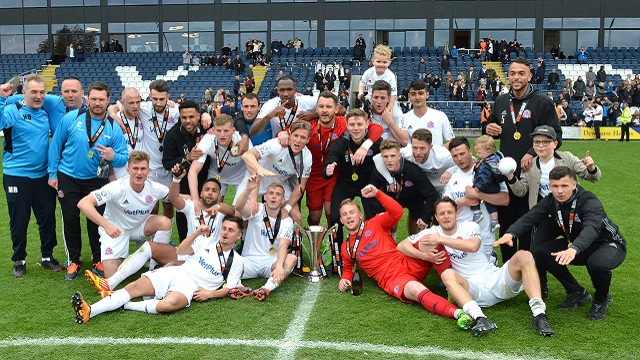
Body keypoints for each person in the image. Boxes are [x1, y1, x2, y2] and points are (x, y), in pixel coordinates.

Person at [398, 198, 555, 337]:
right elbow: (401, 245)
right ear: (436, 217)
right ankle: (480, 318)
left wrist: (441, 239)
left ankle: (539, 315)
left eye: (449, 212)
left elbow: (473, 246)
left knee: (524, 255)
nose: (446, 216)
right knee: (447, 276)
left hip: (496, 279)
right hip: (474, 290)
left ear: (456, 214)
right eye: (442, 213)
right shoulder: (432, 232)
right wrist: (425, 256)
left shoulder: (469, 226)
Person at [337, 185, 474, 331]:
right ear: (341, 220)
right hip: (391, 278)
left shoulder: (376, 223)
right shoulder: (346, 247)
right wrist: (344, 279)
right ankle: (458, 313)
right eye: (344, 215)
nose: (349, 216)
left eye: (352, 212)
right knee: (416, 290)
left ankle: (452, 285)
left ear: (360, 215)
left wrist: (378, 194)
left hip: (405, 260)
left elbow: (397, 212)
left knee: (428, 241)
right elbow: (347, 269)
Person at [498, 166, 626, 320]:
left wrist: (574, 249)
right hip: (578, 246)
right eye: (555, 186)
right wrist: (510, 233)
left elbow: (592, 228)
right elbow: (530, 217)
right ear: (550, 186)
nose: (559, 191)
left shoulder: (589, 201)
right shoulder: (551, 201)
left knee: (597, 264)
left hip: (608, 244)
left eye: (564, 186)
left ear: (574, 185)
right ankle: (577, 292)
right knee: (540, 252)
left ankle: (601, 299)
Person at [71, 216, 245, 323]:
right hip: (178, 271)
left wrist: (209, 294)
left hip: (190, 287)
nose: (225, 233)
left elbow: (230, 288)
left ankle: (126, 305)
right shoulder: (206, 242)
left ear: (238, 235)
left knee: (168, 305)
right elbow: (181, 251)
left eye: (231, 230)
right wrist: (196, 233)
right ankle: (89, 310)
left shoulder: (237, 261)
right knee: (132, 288)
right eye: (224, 228)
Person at [483, 57, 561, 262]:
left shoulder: (543, 102)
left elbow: (557, 137)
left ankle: (528, 270)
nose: (516, 77)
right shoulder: (501, 100)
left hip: (531, 177)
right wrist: (488, 129)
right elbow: (491, 127)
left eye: (521, 73)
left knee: (528, 227)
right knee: (507, 226)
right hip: (506, 177)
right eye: (512, 73)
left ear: (530, 76)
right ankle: (510, 272)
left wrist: (532, 152)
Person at [48, 81, 129, 280]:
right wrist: (52, 174)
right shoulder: (71, 118)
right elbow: (55, 146)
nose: (97, 103)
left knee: (97, 222)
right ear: (87, 98)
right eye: (93, 99)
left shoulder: (112, 126)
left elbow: (123, 157)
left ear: (108, 100)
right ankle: (73, 261)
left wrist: (112, 156)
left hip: (97, 180)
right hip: (69, 177)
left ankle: (97, 259)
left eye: (101, 99)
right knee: (70, 219)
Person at [278, 91, 382, 226]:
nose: (325, 110)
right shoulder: (308, 124)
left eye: (328, 107)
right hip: (311, 175)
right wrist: (283, 134)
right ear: (316, 109)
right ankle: (316, 243)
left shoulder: (344, 123)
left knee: (330, 210)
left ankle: (331, 244)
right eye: (321, 107)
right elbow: (288, 133)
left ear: (336, 109)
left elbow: (377, 128)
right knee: (315, 216)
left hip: (333, 175)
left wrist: (365, 146)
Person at [0, 75, 61, 277]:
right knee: (19, 219)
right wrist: (2, 98)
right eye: (33, 92)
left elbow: (64, 100)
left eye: (42, 92)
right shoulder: (13, 111)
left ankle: (47, 257)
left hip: (43, 176)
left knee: (47, 218)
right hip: (16, 176)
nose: (38, 96)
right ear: (23, 92)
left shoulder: (45, 111)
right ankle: (19, 259)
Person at [77, 151, 172, 278]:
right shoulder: (116, 187)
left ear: (148, 171)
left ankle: (154, 266)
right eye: (135, 168)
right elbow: (84, 203)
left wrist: (196, 201)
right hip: (116, 230)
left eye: (143, 169)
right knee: (111, 278)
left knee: (164, 222)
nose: (139, 173)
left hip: (140, 227)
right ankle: (134, 256)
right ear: (128, 170)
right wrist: (106, 225)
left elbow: (175, 198)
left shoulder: (155, 188)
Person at [322, 109, 382, 247]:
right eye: (352, 125)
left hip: (368, 183)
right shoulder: (340, 143)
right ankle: (336, 252)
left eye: (359, 124)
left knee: (374, 217)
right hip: (346, 183)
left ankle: (373, 249)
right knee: (335, 217)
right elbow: (326, 168)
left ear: (367, 124)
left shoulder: (376, 142)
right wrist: (328, 169)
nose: (356, 128)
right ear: (347, 126)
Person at [444, 137, 509, 258]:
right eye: (455, 156)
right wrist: (463, 201)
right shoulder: (452, 177)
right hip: (459, 235)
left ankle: (492, 258)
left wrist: (478, 195)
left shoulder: (490, 171)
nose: (459, 159)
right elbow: (444, 208)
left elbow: (505, 200)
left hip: (484, 235)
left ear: (470, 151)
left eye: (462, 154)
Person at [232, 176, 295, 301]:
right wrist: (248, 190)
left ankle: (266, 288)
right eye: (271, 193)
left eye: (278, 194)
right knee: (228, 256)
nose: (273, 196)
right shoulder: (257, 210)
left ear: (283, 200)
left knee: (292, 259)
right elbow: (239, 207)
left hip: (270, 263)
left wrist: (279, 266)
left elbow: (283, 246)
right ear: (265, 197)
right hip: (249, 261)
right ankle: (236, 285)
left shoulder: (287, 221)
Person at [237, 120, 313, 224]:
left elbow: (300, 187)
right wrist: (259, 169)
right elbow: (247, 155)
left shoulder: (307, 157)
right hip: (256, 178)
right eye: (296, 136)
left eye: (303, 137)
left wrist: (287, 208)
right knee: (238, 213)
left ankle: (296, 240)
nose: (298, 140)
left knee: (296, 216)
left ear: (308, 140)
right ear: (290, 135)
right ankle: (245, 238)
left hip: (278, 184)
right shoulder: (277, 144)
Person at [368, 138, 439, 236]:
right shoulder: (378, 171)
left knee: (424, 228)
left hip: (414, 199)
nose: (389, 160)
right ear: (381, 157)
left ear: (399, 156)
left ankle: (416, 244)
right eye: (385, 156)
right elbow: (370, 193)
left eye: (393, 156)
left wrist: (425, 217)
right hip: (391, 199)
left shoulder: (412, 170)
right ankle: (391, 240)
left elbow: (432, 194)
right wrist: (380, 213)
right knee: (378, 222)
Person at [188, 114, 250, 206]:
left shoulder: (241, 140)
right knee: (211, 207)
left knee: (239, 210)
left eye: (226, 131)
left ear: (233, 130)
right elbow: (193, 171)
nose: (222, 135)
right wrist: (195, 199)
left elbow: (252, 165)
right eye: (218, 130)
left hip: (240, 176)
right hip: (217, 175)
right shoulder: (208, 139)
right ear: (213, 130)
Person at [249, 76, 318, 137]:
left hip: (301, 145)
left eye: (289, 90)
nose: (285, 94)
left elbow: (328, 101)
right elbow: (252, 132)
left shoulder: (306, 101)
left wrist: (313, 115)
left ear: (295, 90)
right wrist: (270, 115)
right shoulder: (270, 105)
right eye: (282, 90)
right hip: (278, 146)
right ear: (277, 91)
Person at [401, 80, 454, 148]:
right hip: (412, 158)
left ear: (427, 95)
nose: (417, 97)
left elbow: (451, 140)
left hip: (436, 158)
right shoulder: (404, 119)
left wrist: (436, 152)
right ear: (409, 96)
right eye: (413, 94)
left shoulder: (440, 116)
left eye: (420, 93)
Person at [470, 135, 507, 232]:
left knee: (472, 195)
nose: (477, 154)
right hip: (494, 187)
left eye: (479, 153)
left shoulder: (487, 164)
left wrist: (478, 187)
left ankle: (477, 212)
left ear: (488, 152)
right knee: (490, 205)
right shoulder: (494, 159)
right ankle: (494, 222)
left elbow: (485, 178)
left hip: (487, 186)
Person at [358, 45, 399, 119]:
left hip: (386, 101)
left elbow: (393, 95)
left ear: (389, 63)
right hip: (371, 100)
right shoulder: (368, 72)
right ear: (373, 61)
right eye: (378, 61)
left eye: (384, 62)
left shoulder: (391, 76)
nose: (381, 64)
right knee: (362, 116)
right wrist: (360, 92)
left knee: (396, 115)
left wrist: (388, 109)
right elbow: (362, 84)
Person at [112, 87, 144, 179]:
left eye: (138, 102)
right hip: (119, 175)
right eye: (131, 103)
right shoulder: (114, 121)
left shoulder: (143, 116)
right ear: (122, 102)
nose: (135, 106)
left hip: (138, 174)